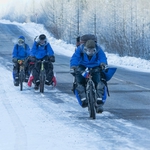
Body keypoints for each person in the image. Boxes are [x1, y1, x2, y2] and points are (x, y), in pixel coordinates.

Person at [70, 35, 108, 113]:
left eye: (92, 50)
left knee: (99, 82)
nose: (90, 52)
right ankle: (83, 99)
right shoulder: (80, 49)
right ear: (85, 48)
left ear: (95, 49)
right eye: (88, 50)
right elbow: (75, 58)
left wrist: (103, 64)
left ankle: (99, 101)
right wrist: (73, 66)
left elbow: (102, 57)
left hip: (95, 67)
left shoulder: (98, 49)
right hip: (82, 66)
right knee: (79, 82)